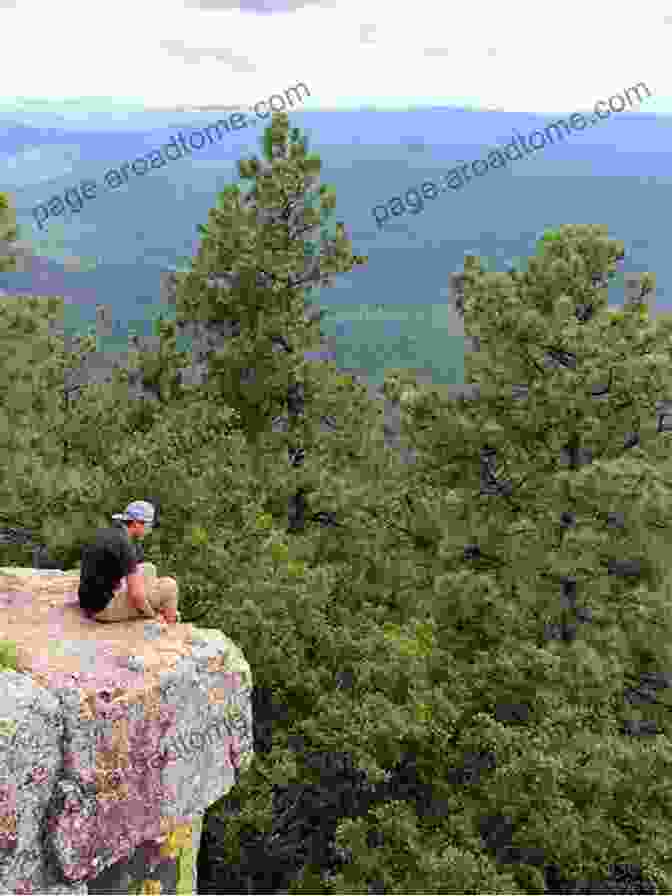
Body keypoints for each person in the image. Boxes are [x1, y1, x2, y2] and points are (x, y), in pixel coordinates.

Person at [78, 500, 180, 624]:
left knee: (148, 568)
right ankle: (170, 626)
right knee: (170, 586)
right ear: (137, 523)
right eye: (148, 525)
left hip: (88, 600)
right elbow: (136, 595)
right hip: (102, 609)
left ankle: (157, 603)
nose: (149, 530)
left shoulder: (108, 532)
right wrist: (151, 616)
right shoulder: (125, 545)